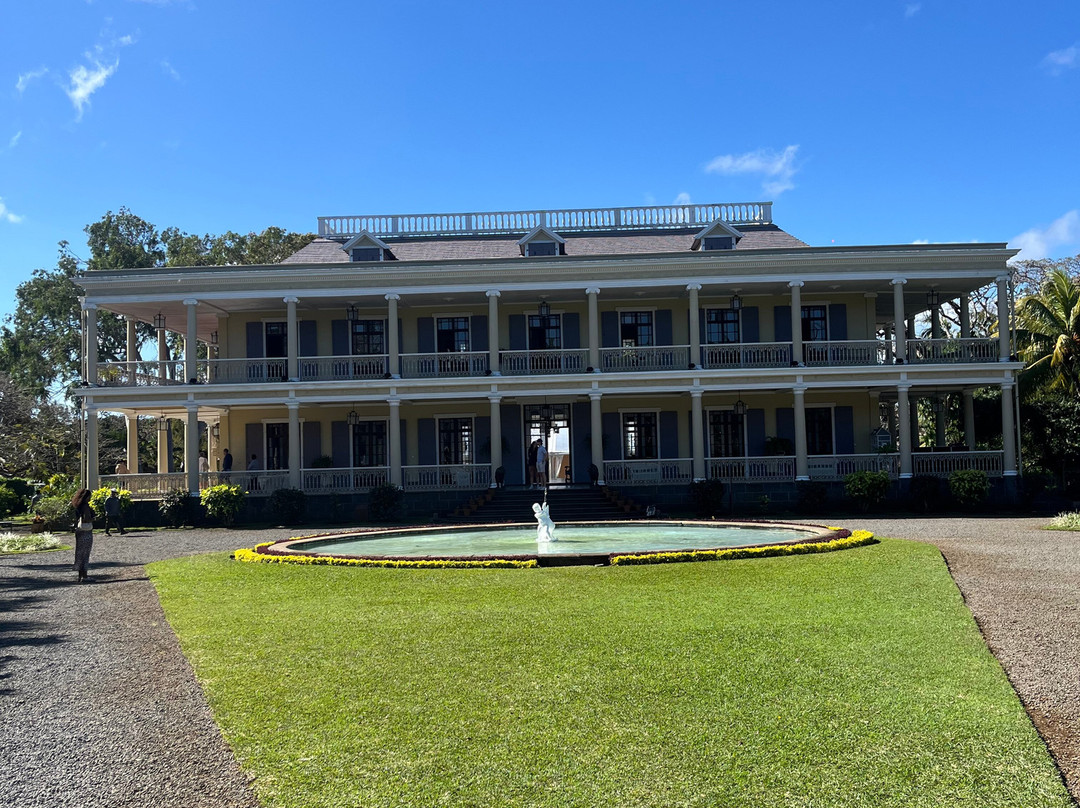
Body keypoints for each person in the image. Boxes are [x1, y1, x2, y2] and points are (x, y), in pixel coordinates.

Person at [71, 488, 95, 583]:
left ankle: (80, 575)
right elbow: (87, 519)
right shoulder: (86, 507)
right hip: (86, 531)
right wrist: (94, 519)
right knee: (85, 554)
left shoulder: (78, 506)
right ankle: (85, 575)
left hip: (79, 531)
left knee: (79, 553)